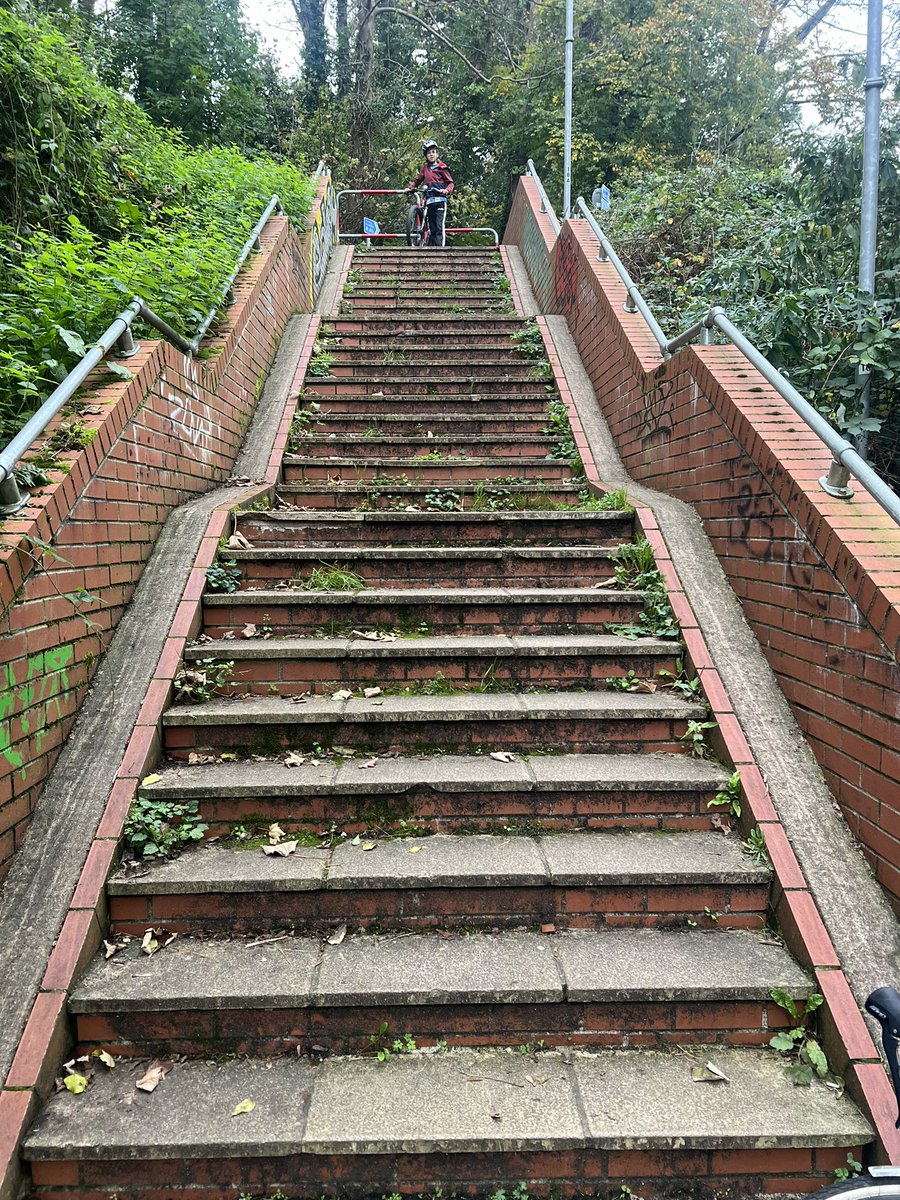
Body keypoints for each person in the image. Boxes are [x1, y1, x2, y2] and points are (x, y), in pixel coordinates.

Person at [405, 140, 454, 247]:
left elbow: (450, 183)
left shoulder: (442, 167)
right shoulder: (425, 168)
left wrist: (446, 190)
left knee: (438, 226)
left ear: (437, 154)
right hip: (429, 201)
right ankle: (432, 247)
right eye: (429, 153)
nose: (431, 155)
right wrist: (410, 188)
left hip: (440, 200)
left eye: (433, 152)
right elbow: (417, 180)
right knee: (432, 226)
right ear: (426, 156)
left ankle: (440, 249)